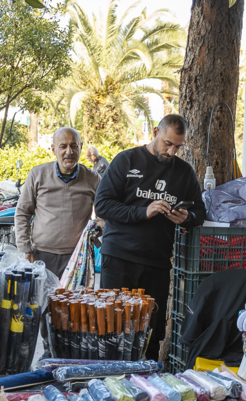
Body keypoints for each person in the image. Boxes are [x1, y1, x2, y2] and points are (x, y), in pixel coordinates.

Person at [94, 114, 206, 360]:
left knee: (151, 331)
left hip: (157, 263)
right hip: (119, 257)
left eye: (178, 146)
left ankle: (149, 383)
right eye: (168, 143)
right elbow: (102, 205)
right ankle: (110, 383)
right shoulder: (127, 160)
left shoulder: (184, 172)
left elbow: (200, 211)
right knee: (114, 325)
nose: (171, 151)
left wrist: (186, 217)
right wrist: (143, 211)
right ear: (156, 131)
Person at [14, 127, 100, 351]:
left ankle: (71, 353)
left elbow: (104, 214)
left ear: (81, 148)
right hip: (44, 257)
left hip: (78, 260)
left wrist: (99, 228)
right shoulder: (37, 174)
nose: (68, 151)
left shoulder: (92, 178)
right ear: (53, 149)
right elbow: (22, 212)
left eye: (74, 146)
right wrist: (25, 249)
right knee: (45, 310)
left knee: (75, 311)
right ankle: (49, 351)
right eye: (63, 146)